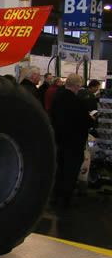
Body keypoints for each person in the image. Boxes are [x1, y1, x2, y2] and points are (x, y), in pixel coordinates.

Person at [50, 73, 95, 205]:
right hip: (74, 142)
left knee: (60, 167)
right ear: (77, 86)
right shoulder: (77, 103)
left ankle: (56, 194)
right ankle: (65, 197)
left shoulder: (57, 98)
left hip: (59, 138)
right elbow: (86, 122)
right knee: (71, 169)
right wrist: (91, 119)